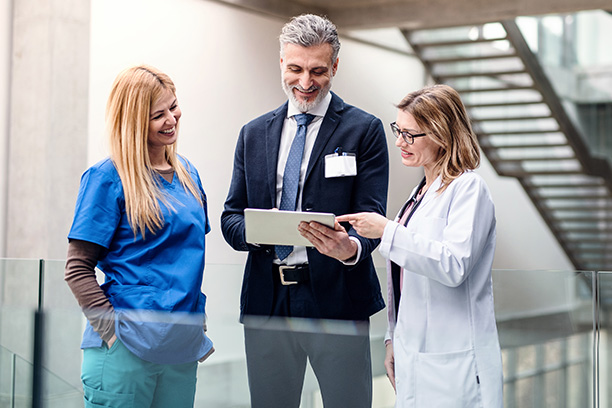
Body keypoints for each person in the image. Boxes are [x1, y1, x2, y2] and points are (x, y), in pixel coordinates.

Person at [221, 14, 389, 408]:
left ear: (334, 67)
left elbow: (372, 216)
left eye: (317, 71)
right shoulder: (253, 133)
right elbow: (230, 219)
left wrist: (351, 249)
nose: (305, 82)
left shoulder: (364, 130)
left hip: (337, 299)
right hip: (268, 300)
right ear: (281, 63)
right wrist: (261, 229)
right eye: (295, 68)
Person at [337, 84, 503, 407]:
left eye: (410, 135)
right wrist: (392, 339)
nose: (399, 141)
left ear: (441, 134)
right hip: (413, 357)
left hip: (456, 365)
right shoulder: (417, 198)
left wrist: (386, 231)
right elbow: (404, 283)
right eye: (398, 130)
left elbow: (453, 265)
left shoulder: (469, 190)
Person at [65, 65, 214, 408]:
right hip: (125, 350)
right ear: (133, 121)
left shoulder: (188, 174)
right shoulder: (106, 177)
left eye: (173, 107)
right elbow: (77, 269)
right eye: (157, 115)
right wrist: (113, 334)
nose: (171, 120)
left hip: (180, 347)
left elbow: (185, 257)